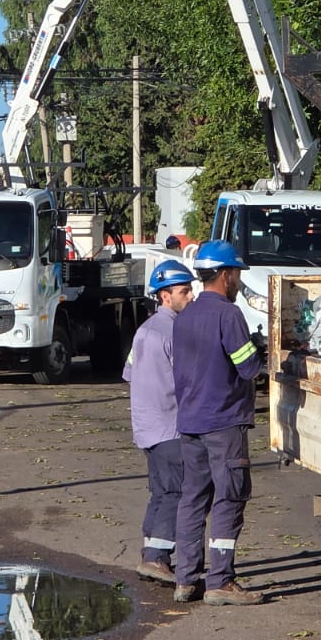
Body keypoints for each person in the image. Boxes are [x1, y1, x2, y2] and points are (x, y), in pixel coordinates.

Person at [171, 239, 266, 605]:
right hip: (223, 423)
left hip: (190, 422)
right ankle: (221, 581)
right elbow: (248, 367)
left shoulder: (185, 316)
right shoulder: (229, 314)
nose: (238, 281)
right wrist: (261, 351)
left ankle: (185, 579)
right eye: (237, 274)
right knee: (229, 498)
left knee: (193, 499)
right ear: (225, 275)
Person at [122, 259, 195, 584]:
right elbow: (189, 379)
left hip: (147, 427)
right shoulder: (175, 332)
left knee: (160, 492)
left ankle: (151, 554)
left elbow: (129, 372)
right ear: (165, 296)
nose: (191, 296)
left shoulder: (144, 330)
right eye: (184, 291)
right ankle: (155, 558)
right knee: (174, 493)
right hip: (169, 426)